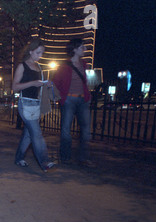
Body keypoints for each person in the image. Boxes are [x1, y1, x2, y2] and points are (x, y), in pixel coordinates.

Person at [12, 38, 56, 172]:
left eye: (42, 53)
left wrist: (46, 84)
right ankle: (45, 162)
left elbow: (38, 86)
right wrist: (33, 83)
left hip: (36, 104)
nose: (40, 55)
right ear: (31, 51)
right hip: (25, 103)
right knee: (36, 133)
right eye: (38, 52)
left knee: (28, 135)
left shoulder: (39, 67)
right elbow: (14, 87)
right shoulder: (22, 66)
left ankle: (19, 158)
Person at [52, 38, 94, 167]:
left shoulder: (84, 64)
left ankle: (83, 158)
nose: (85, 49)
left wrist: (88, 96)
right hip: (69, 100)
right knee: (66, 130)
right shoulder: (65, 66)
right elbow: (55, 82)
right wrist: (60, 98)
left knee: (86, 130)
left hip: (83, 100)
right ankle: (65, 157)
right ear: (74, 49)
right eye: (82, 47)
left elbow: (84, 82)